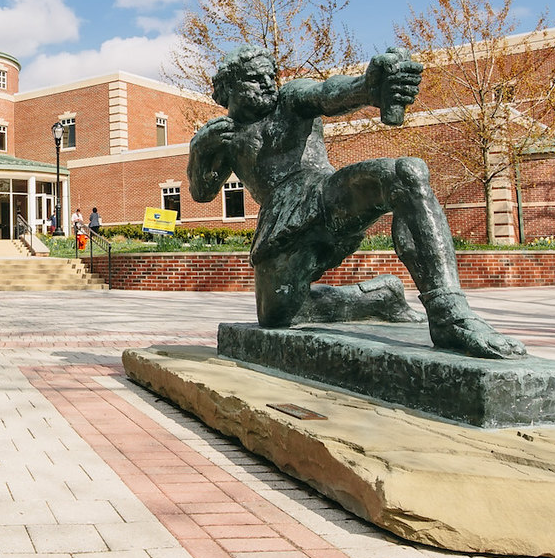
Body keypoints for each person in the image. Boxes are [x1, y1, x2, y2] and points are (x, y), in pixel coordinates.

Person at [188, 44, 526, 359]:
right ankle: (378, 297)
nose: (266, 84)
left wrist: (368, 88)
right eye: (253, 79)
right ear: (227, 88)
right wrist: (199, 151)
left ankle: (449, 313)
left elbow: (328, 94)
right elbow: (202, 194)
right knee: (276, 316)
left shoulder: (289, 99)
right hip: (280, 227)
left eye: (269, 76)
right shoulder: (223, 135)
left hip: (326, 196)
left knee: (405, 173)